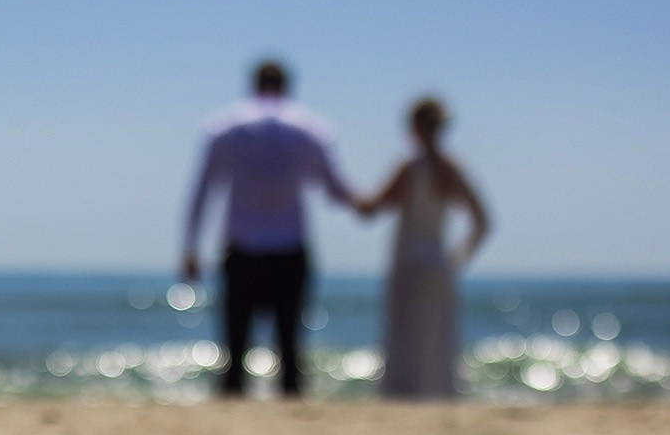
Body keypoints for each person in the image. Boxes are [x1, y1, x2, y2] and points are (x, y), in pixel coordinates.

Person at [179, 59, 359, 397]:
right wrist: (367, 203)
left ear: (253, 84)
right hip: (290, 248)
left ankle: (230, 421)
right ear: (288, 86)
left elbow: (203, 190)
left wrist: (190, 246)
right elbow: (334, 188)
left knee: (234, 351)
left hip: (242, 248)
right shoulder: (310, 128)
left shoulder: (225, 127)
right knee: (290, 349)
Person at [360, 96, 491, 399]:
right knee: (436, 341)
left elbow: (373, 207)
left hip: (408, 262)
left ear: (416, 128)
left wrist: (343, 193)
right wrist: (459, 257)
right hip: (437, 263)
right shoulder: (452, 169)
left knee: (405, 338)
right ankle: (438, 397)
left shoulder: (410, 169)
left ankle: (403, 397)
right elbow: (483, 221)